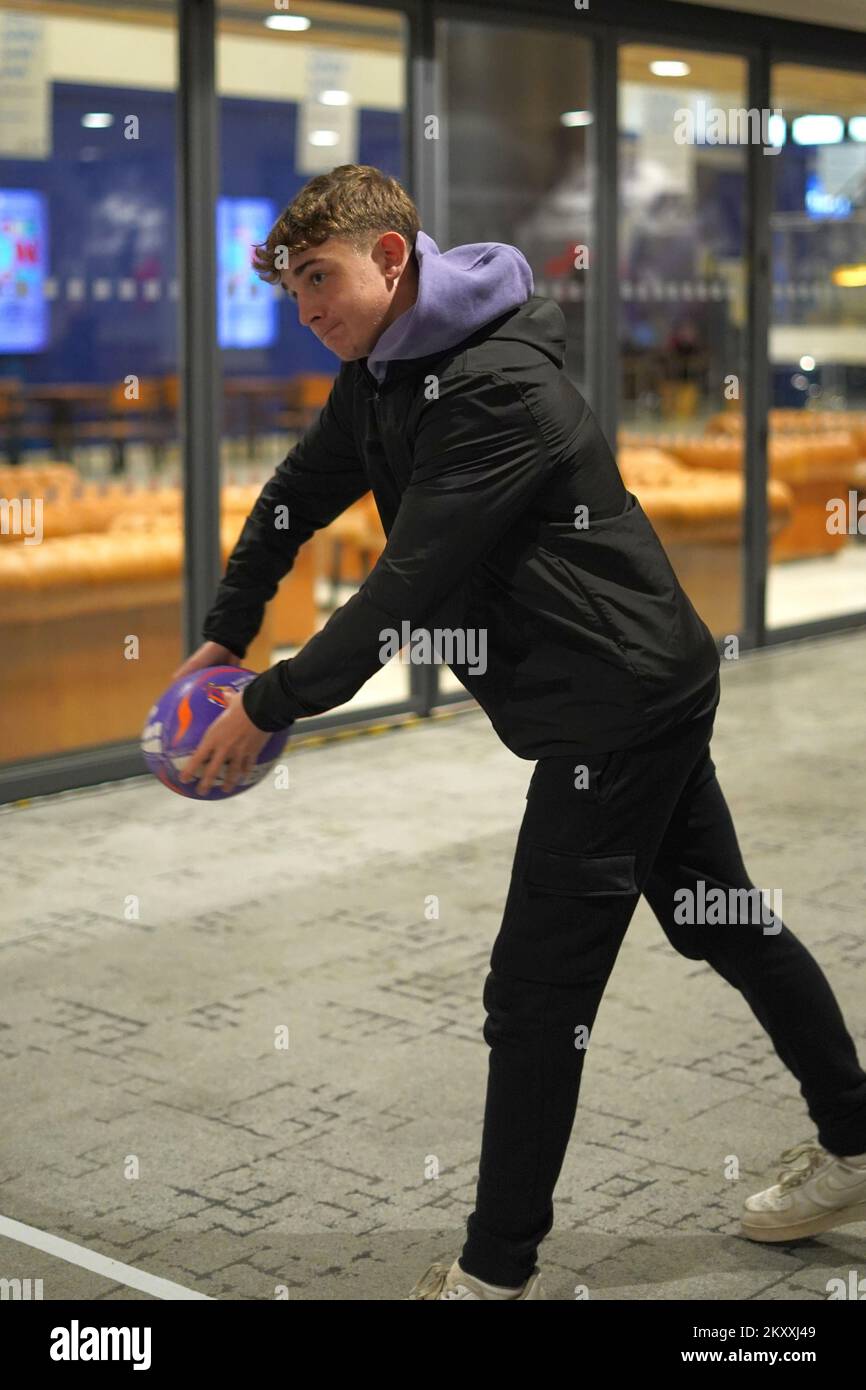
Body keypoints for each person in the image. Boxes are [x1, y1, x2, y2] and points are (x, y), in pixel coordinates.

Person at [174, 164, 866, 1301]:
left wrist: (270, 703)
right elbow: (294, 495)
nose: (306, 313)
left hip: (618, 709)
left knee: (535, 996)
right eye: (291, 291)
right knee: (722, 921)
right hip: (633, 688)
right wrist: (226, 630)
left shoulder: (493, 387)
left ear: (391, 259)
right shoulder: (384, 372)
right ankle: (852, 1139)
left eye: (319, 280)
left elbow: (404, 584)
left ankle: (492, 1275)